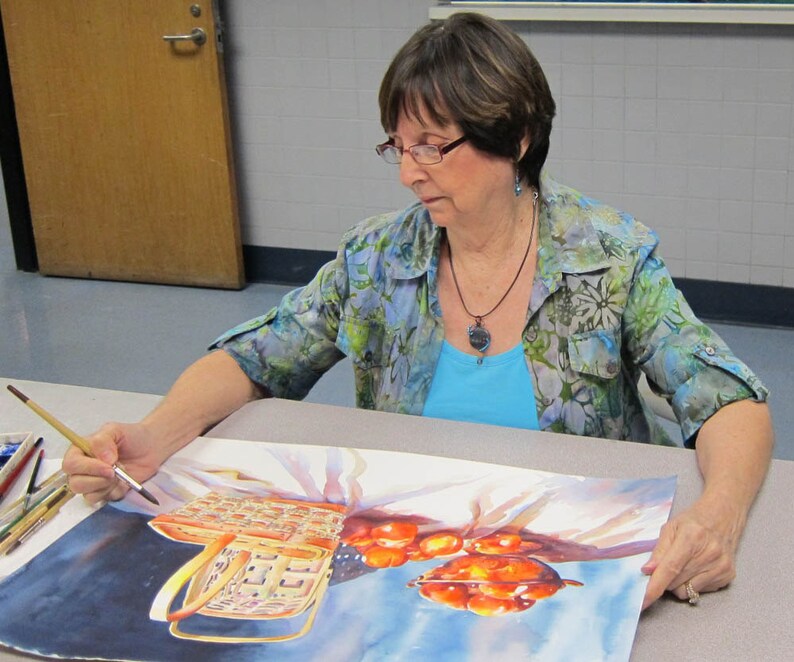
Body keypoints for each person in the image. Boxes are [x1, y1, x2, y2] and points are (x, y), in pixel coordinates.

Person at [63, 12, 773, 611]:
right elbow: (257, 356)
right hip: (416, 569)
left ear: (515, 137)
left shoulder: (608, 258)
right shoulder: (377, 257)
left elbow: (730, 400)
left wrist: (717, 518)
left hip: (566, 571)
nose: (409, 172)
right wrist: (156, 433)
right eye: (398, 146)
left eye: (433, 145)